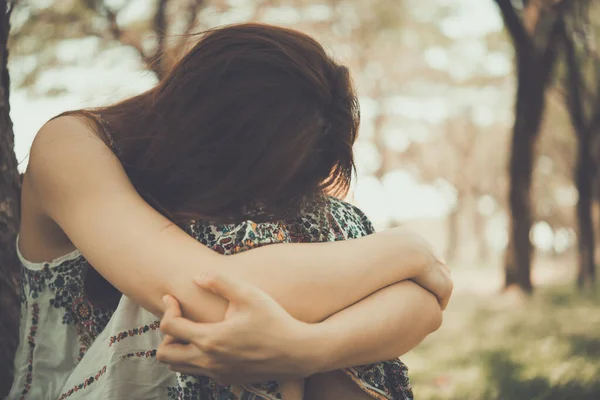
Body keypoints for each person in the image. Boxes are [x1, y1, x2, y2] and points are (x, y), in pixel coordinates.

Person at [9, 23, 452, 400]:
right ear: (214, 133)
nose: (271, 190)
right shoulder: (71, 146)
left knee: (332, 223)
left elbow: (425, 305)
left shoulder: (272, 206)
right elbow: (206, 295)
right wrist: (406, 251)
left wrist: (310, 347)